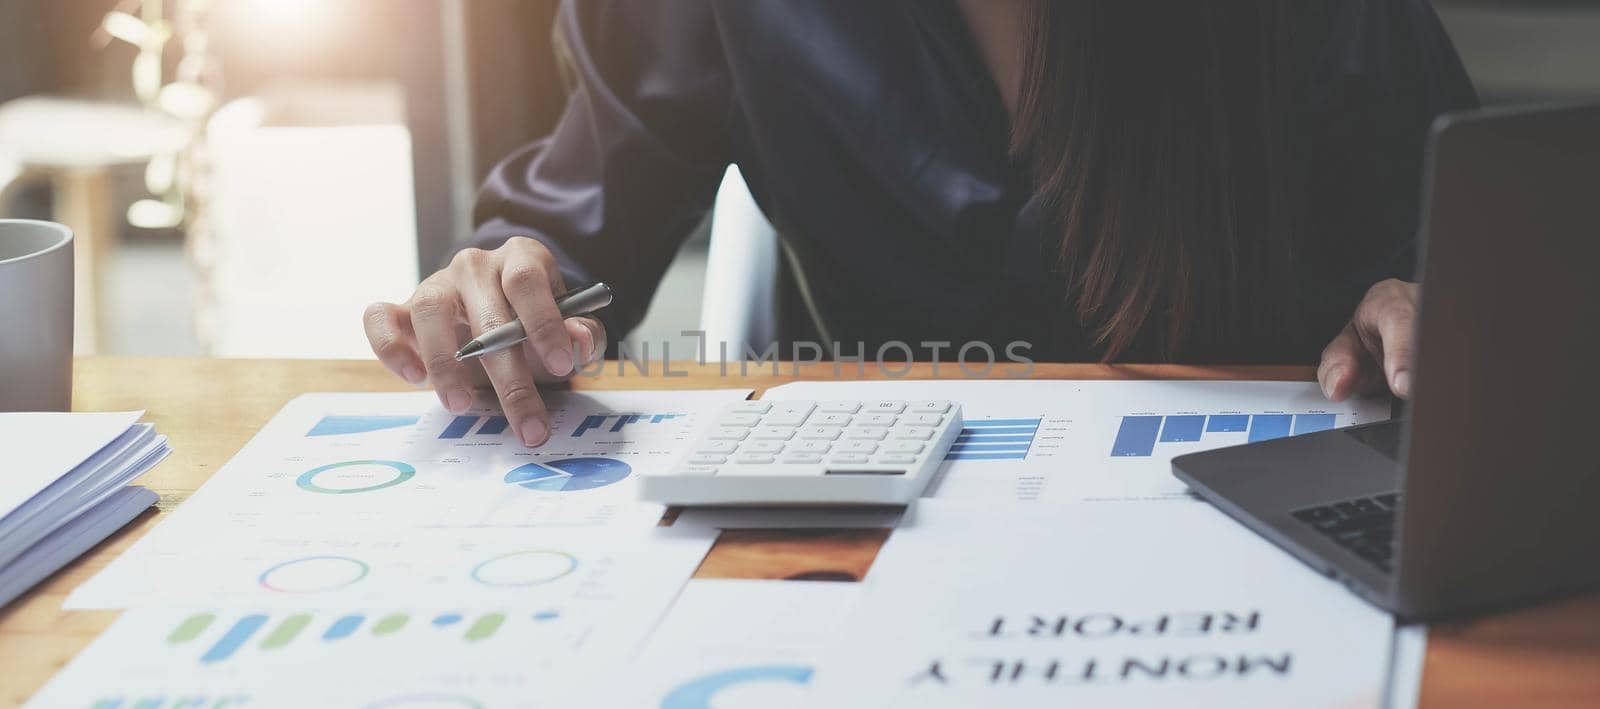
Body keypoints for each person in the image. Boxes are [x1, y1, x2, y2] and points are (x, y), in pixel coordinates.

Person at [363, 0, 1477, 447]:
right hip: (876, 527)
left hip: (1259, 514)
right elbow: (573, 222)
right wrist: (507, 283)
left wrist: (1432, 300)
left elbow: (1474, 251)